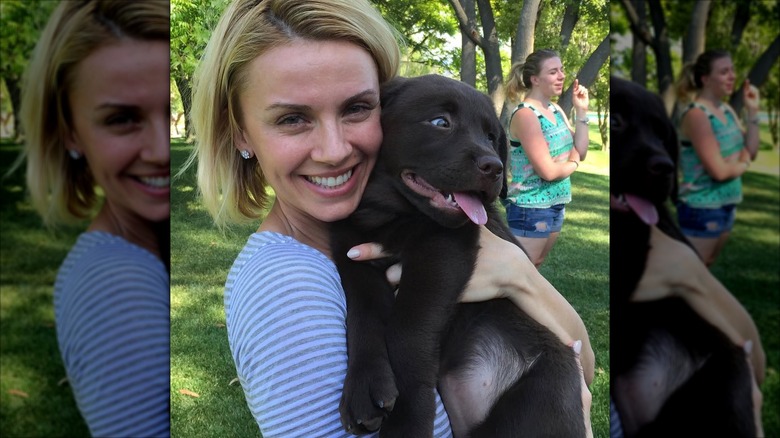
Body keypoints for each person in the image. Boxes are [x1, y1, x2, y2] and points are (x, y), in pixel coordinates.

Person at [188, 0, 594, 436]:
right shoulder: (284, 288)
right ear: (241, 132)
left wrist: (519, 274)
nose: (334, 150)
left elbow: (582, 367)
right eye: (292, 118)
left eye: (356, 109)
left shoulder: (402, 219)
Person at [17, 1, 170, 436]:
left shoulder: (147, 251)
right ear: (69, 130)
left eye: (166, 113)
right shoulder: (116, 282)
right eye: (122, 119)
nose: (161, 151)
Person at [502, 49, 591, 267]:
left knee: (536, 263)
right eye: (553, 72)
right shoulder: (526, 115)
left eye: (561, 70)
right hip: (530, 207)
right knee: (518, 272)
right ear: (535, 79)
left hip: (556, 203)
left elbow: (582, 147)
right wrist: (574, 162)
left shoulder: (555, 109)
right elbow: (549, 172)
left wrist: (581, 112)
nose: (561, 75)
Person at [674, 49, 761, 267]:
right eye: (724, 71)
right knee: (691, 276)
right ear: (705, 79)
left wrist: (753, 112)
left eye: (732, 70)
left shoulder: (727, 109)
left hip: (727, 204)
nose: (732, 76)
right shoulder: (697, 115)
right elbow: (719, 171)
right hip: (702, 208)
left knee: (706, 265)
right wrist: (745, 162)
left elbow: (752, 148)